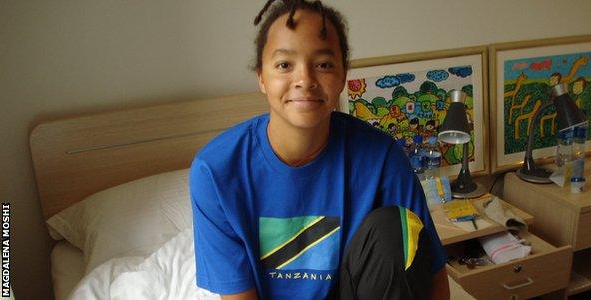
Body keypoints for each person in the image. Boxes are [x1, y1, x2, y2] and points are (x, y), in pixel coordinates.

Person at [190, 1, 449, 299]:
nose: (305, 81)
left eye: (323, 64)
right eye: (284, 65)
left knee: (393, 227)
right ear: (261, 76)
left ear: (342, 75)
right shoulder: (217, 171)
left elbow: (432, 275)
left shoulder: (381, 157)